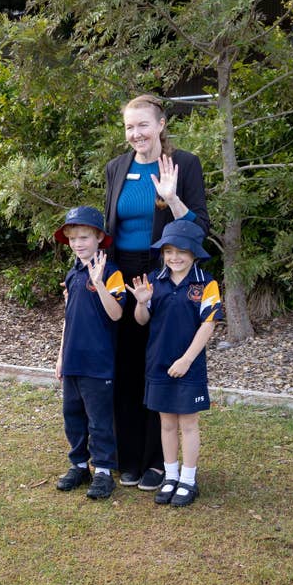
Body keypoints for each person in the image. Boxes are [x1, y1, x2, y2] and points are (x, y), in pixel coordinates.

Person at [104, 94, 210, 490]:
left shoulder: (184, 165)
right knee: (126, 365)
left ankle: (156, 462)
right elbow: (107, 231)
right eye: (130, 127)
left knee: (159, 364)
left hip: (165, 275)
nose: (136, 134)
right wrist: (89, 276)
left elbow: (200, 228)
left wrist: (171, 198)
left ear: (161, 125)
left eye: (143, 125)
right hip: (123, 275)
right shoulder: (117, 168)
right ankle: (128, 457)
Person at [126, 220, 223, 506]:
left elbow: (208, 326)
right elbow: (142, 320)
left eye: (181, 250)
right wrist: (142, 303)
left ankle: (188, 481)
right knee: (166, 423)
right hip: (158, 362)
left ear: (194, 253)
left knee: (188, 423)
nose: (174, 257)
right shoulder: (154, 280)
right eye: (168, 251)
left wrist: (186, 359)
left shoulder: (207, 283)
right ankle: (171, 476)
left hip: (189, 365)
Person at [53, 205, 126, 500]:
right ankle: (79, 465)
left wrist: (98, 283)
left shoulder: (111, 272)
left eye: (84, 237)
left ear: (99, 237)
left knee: (99, 420)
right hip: (73, 359)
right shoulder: (72, 274)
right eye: (73, 239)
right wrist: (60, 356)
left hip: (98, 362)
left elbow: (117, 314)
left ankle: (104, 472)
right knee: (73, 415)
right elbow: (69, 319)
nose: (78, 244)